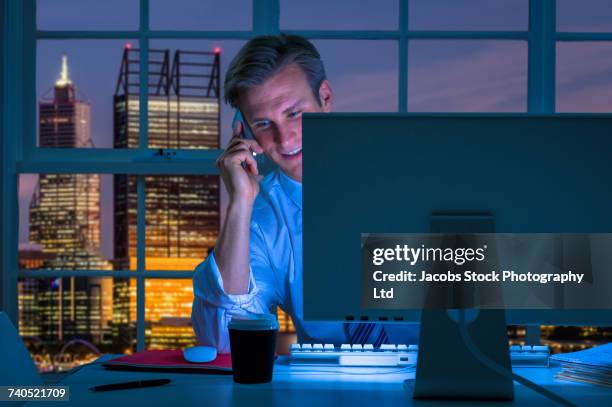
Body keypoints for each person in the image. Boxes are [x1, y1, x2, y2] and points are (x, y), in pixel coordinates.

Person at [192, 34, 418, 352]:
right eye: (263, 123)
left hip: (444, 386)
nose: (284, 140)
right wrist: (239, 203)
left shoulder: (411, 179)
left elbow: (490, 289)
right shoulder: (262, 219)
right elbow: (223, 342)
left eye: (294, 114)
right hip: (328, 393)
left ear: (324, 97)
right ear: (244, 129)